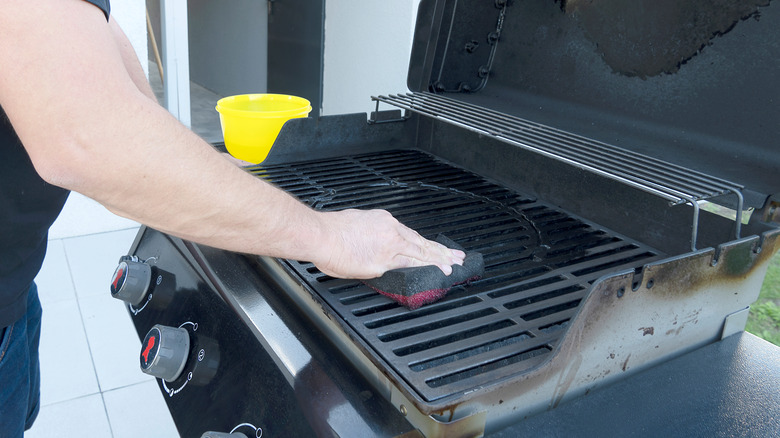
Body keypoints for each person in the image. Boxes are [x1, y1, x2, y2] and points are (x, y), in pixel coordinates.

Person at [0, 0, 465, 435]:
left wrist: (212, 167)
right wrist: (329, 236)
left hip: (14, 289)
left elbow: (111, 80)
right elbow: (91, 140)